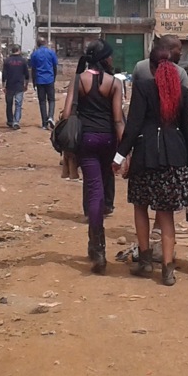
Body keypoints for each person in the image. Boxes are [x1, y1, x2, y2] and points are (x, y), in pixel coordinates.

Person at [114, 44, 188, 286]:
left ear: (150, 67)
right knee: (166, 214)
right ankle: (168, 270)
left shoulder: (142, 87)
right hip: (173, 156)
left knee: (141, 207)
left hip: (145, 155)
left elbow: (134, 126)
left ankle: (145, 262)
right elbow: (187, 129)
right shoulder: (182, 92)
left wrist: (119, 156)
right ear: (172, 66)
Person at [58, 40, 125, 274]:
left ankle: (97, 247)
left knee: (93, 189)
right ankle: (95, 242)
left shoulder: (78, 80)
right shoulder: (114, 83)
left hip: (86, 140)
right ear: (105, 58)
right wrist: (124, 151)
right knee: (104, 186)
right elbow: (118, 119)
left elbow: (67, 113)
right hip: (108, 140)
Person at [28, 36, 59, 129]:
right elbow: (55, 66)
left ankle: (44, 123)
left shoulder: (34, 54)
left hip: (39, 80)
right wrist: (54, 78)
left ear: (37, 44)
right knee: (52, 100)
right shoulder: (51, 53)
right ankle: (50, 117)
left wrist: (34, 82)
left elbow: (32, 69)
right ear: (45, 43)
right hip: (49, 79)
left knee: (42, 101)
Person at [1, 44, 30, 130]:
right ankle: (16, 121)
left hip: (9, 86)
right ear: (19, 50)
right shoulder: (23, 61)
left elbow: (4, 74)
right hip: (19, 86)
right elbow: (27, 74)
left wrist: (3, 86)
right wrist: (26, 84)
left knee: (9, 104)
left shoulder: (7, 61)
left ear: (12, 51)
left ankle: (10, 121)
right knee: (18, 104)